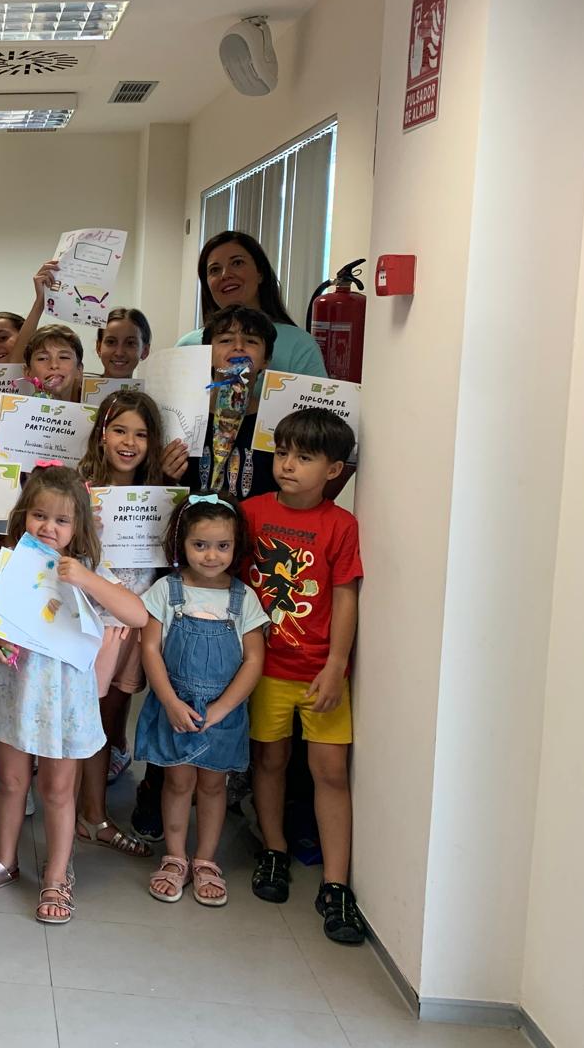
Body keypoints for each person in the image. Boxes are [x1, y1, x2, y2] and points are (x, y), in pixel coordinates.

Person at [0, 467, 148, 925]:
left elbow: (138, 614)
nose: (48, 527)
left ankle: (58, 874)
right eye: (39, 515)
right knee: (10, 782)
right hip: (12, 689)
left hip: (62, 697)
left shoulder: (87, 570)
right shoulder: (4, 563)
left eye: (61, 521)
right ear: (23, 515)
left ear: (78, 527)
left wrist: (86, 579)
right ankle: (6, 859)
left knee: (58, 789)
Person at [242, 408, 366, 944]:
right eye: (284, 452)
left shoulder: (341, 525)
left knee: (330, 772)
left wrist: (337, 665)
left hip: (320, 673)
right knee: (269, 760)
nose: (288, 465)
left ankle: (336, 884)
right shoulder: (249, 513)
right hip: (263, 669)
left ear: (334, 469)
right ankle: (274, 850)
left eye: (305, 457)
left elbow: (345, 595)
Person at [137, 495, 268, 906]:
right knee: (177, 781)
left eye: (222, 546)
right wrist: (171, 702)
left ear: (236, 546)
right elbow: (150, 650)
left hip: (222, 712)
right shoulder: (166, 590)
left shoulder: (242, 598)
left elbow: (254, 660)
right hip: (174, 704)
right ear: (183, 545)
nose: (211, 555)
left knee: (213, 785)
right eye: (200, 545)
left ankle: (206, 860)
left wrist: (223, 709)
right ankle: (175, 856)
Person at [73, 390, 183, 859]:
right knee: (83, 719)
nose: (129, 442)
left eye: (141, 434)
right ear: (102, 434)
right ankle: (83, 811)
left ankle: (91, 812)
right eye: (120, 429)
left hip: (133, 624)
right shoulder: (78, 487)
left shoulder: (161, 494)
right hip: (86, 623)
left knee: (110, 718)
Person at [175, 231, 326, 377]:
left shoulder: (299, 346)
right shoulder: (188, 346)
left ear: (260, 272)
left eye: (237, 263)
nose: (225, 275)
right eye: (215, 269)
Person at [180, 306, 279, 500]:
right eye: (226, 340)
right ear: (208, 354)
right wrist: (166, 473)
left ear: (266, 359)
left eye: (251, 341)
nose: (239, 346)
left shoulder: (276, 425)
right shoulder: (184, 417)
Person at [22, 326, 85, 403]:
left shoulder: (97, 413)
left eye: (63, 357)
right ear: (28, 373)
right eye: (42, 358)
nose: (54, 365)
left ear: (79, 370)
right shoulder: (12, 413)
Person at [95, 307, 153, 380]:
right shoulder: (80, 390)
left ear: (145, 351)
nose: (119, 353)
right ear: (98, 347)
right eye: (111, 342)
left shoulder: (153, 390)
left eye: (130, 343)